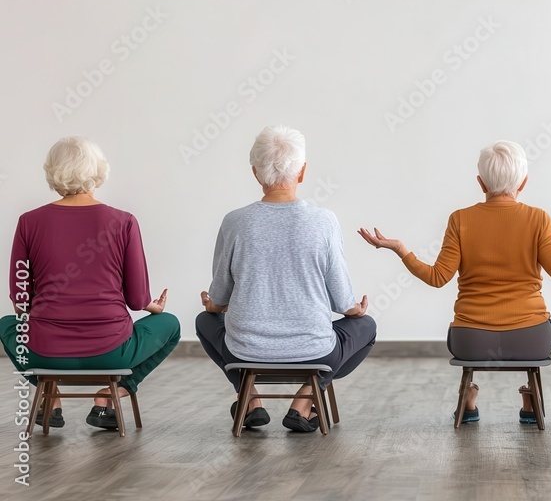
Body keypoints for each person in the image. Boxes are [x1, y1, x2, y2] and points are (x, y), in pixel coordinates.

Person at [359, 140, 551, 425]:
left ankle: (467, 399)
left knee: (461, 338)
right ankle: (531, 400)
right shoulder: (538, 219)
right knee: (547, 327)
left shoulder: (460, 219)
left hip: (470, 342)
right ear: (524, 182)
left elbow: (437, 278)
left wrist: (400, 249)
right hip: (532, 342)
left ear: (481, 183)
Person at [196, 125, 376, 433]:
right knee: (366, 326)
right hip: (314, 351)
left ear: (255, 173)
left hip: (245, 351)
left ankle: (250, 399)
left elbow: (220, 297)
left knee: (204, 321)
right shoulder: (324, 221)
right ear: (302, 172)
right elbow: (342, 301)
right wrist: (354, 311)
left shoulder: (235, 222)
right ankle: (305, 400)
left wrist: (214, 306)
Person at [1, 137, 178, 430]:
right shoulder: (124, 221)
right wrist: (151, 307)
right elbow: (136, 300)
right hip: (112, 352)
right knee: (170, 324)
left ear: (53, 173)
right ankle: (112, 393)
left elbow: (20, 301)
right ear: (98, 171)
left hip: (45, 351)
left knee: (6, 324)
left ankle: (49, 394)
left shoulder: (28, 222)